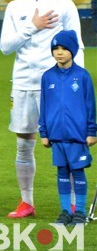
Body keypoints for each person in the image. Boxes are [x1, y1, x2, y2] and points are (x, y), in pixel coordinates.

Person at [0, 0, 84, 218]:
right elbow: (5, 47)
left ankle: (73, 203)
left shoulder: (64, 5)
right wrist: (32, 27)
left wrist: (78, 83)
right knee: (24, 144)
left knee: (66, 143)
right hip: (23, 82)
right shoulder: (14, 7)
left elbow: (78, 46)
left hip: (58, 85)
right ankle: (27, 202)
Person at [39, 30, 96, 225]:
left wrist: (91, 131)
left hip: (77, 136)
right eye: (56, 48)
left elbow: (90, 106)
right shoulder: (47, 77)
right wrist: (44, 132)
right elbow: (44, 105)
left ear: (73, 50)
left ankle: (80, 212)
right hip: (56, 136)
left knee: (78, 172)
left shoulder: (82, 76)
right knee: (62, 172)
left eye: (64, 48)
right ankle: (65, 211)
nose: (59, 52)